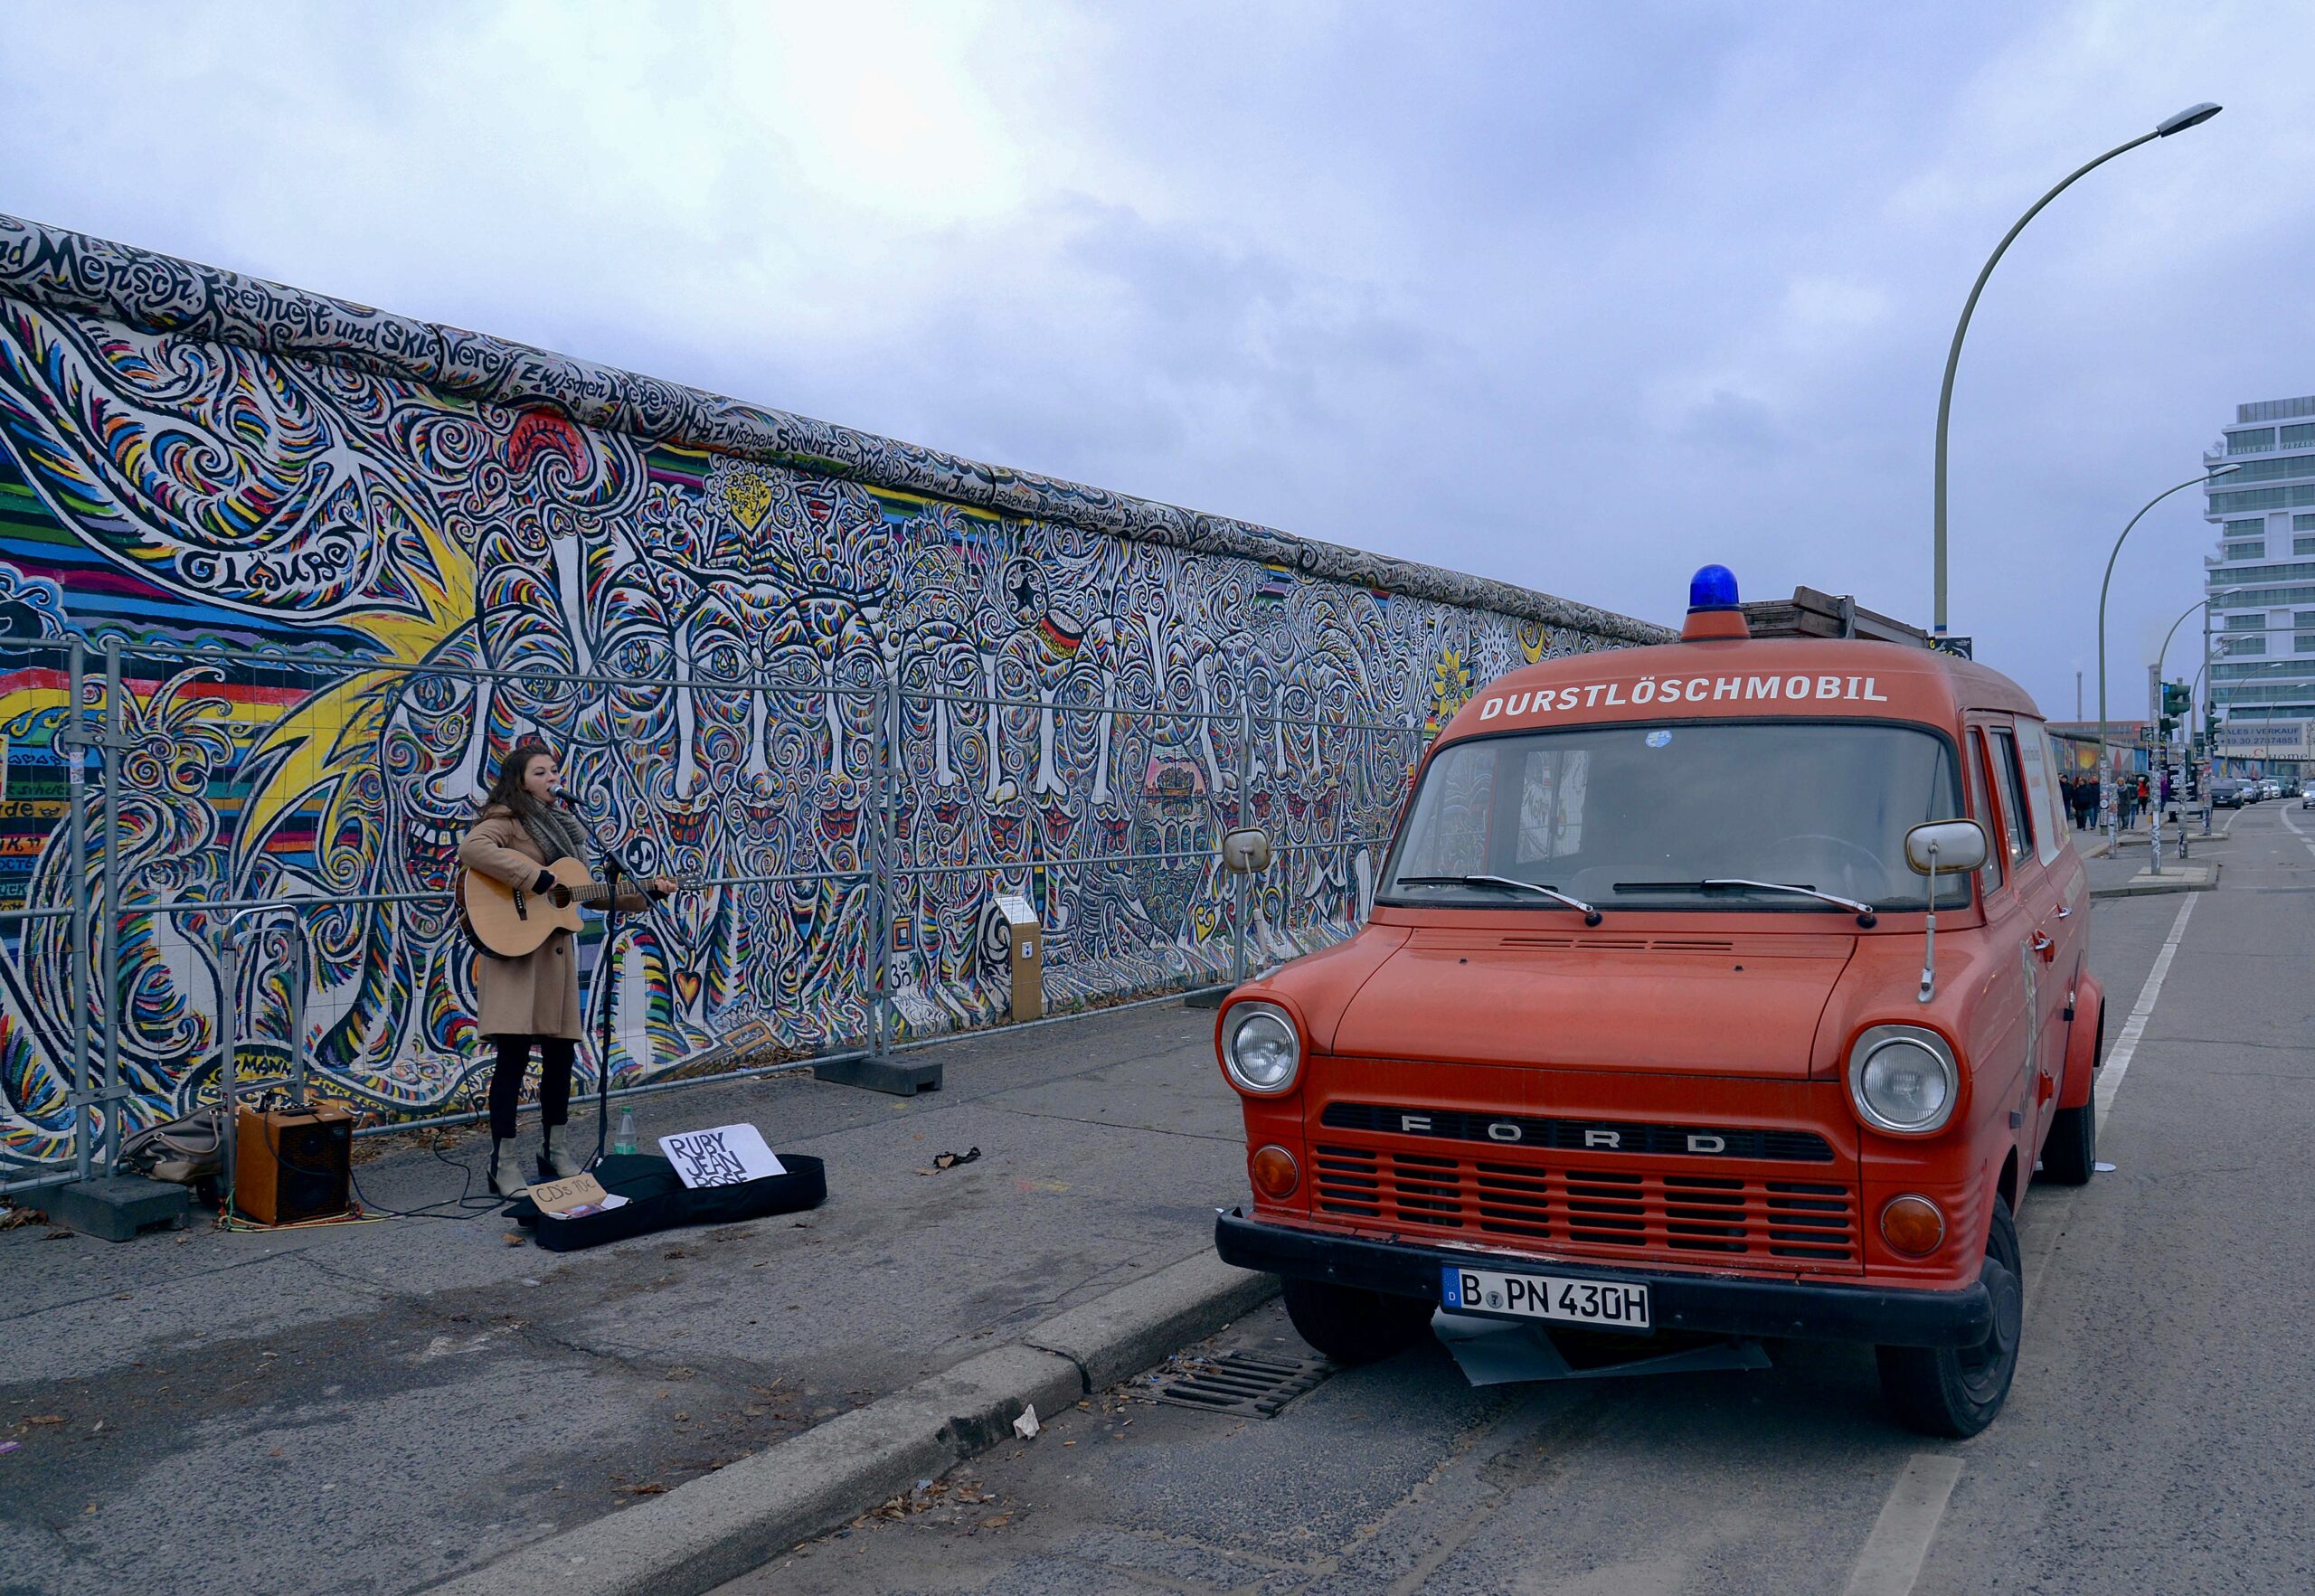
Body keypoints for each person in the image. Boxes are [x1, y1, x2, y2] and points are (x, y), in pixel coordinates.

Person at [458, 740, 674, 1198]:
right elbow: (473, 849)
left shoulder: (566, 829)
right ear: (520, 781)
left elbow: (585, 894)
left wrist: (648, 892)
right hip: (517, 959)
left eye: (553, 771)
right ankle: (503, 1164)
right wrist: (534, 878)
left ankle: (554, 1151)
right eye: (540, 772)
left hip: (554, 961)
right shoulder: (505, 818)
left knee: (561, 1059)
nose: (551, 778)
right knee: (513, 1060)